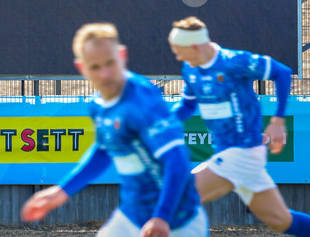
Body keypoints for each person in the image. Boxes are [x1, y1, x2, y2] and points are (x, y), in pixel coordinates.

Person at [20, 23, 208, 237]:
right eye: (95, 67)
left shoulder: (142, 103)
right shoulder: (98, 105)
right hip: (131, 217)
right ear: (82, 68)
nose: (105, 74)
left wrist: (162, 216)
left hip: (177, 221)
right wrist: (62, 191)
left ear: (122, 55)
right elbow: (103, 150)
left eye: (110, 63)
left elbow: (178, 160)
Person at [168, 17, 310, 237]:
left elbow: (281, 72)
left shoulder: (234, 62)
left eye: (179, 51)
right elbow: (187, 105)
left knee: (182, 197)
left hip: (241, 153)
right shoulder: (190, 69)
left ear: (195, 46)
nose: (178, 57)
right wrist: (161, 124)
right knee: (281, 220)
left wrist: (277, 121)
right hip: (236, 155)